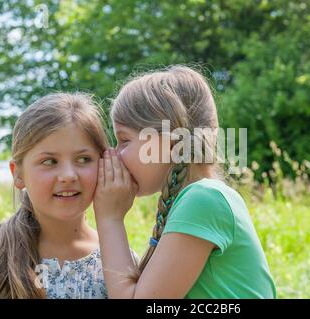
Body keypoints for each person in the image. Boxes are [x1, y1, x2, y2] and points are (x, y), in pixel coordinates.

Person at [94, 65, 276, 298]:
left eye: (124, 140)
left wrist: (110, 218)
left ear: (167, 143)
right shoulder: (200, 198)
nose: (116, 154)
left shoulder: (204, 199)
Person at [0, 93, 114, 298]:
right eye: (49, 161)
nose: (68, 176)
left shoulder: (117, 262)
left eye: (83, 159)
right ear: (18, 174)